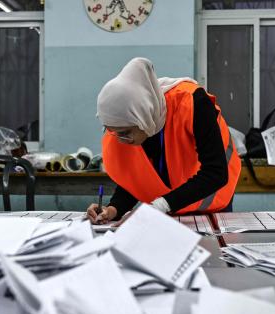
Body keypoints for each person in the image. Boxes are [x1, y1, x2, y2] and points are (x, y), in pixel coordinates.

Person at [86, 58, 241, 224]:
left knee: (211, 249)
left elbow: (215, 172)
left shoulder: (194, 103)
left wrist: (157, 207)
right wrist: (113, 209)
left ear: (143, 117)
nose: (121, 140)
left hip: (210, 205)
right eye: (112, 131)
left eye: (125, 133)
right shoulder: (132, 123)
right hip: (167, 208)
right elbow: (137, 177)